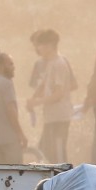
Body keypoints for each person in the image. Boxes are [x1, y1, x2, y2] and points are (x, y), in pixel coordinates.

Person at [27, 28, 77, 161]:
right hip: (51, 116)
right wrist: (32, 100)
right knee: (45, 149)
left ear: (49, 45)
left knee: (58, 154)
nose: (38, 49)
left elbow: (59, 94)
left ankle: (66, 180)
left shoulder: (59, 64)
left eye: (41, 45)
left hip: (59, 116)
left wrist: (37, 102)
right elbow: (43, 86)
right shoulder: (50, 63)